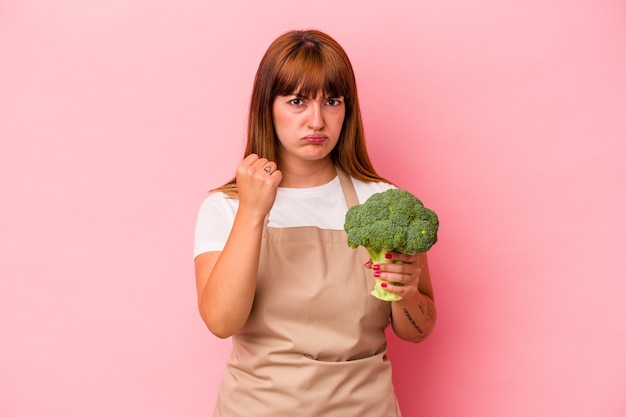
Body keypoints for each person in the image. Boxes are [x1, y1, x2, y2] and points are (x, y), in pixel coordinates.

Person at [194, 29, 436, 417]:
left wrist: (407, 293)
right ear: (267, 108)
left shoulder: (384, 204)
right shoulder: (224, 207)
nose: (317, 120)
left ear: (347, 110)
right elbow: (222, 322)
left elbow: (420, 329)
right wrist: (253, 212)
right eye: (297, 101)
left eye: (332, 101)